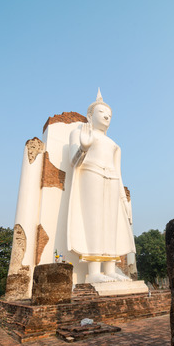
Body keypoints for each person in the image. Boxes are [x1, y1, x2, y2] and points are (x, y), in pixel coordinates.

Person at [67, 90, 135, 283]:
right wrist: (84, 147)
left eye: (109, 115)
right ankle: (94, 271)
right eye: (102, 112)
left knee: (111, 224)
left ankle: (110, 268)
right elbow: (74, 162)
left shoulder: (114, 144)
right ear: (90, 115)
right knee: (94, 221)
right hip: (92, 173)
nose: (106, 116)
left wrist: (124, 200)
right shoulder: (79, 133)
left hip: (112, 179)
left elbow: (119, 173)